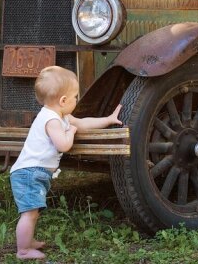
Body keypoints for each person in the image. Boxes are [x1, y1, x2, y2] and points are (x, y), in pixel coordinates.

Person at [9, 66, 122, 260]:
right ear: (63, 101)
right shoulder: (51, 120)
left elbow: (83, 123)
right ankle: (23, 250)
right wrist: (70, 132)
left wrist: (109, 119)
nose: (76, 100)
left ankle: (28, 241)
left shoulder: (60, 115)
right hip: (29, 173)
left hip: (33, 172)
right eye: (75, 97)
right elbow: (63, 145)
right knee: (29, 214)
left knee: (33, 212)